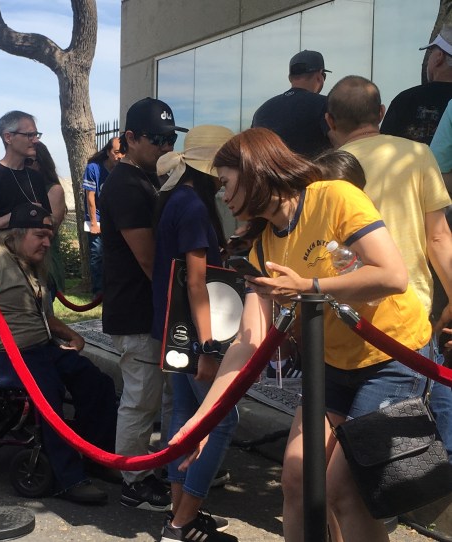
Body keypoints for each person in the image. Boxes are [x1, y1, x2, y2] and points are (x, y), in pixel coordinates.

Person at [171, 127, 432, 542]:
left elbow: (393, 275)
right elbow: (247, 343)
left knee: (344, 489)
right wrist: (204, 419)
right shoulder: (260, 246)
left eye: (226, 182)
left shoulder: (335, 196)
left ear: (255, 171)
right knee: (296, 477)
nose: (222, 194)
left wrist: (308, 287)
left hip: (392, 358)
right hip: (331, 365)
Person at [0, 203, 117, 505]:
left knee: (97, 382)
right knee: (48, 389)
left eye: (49, 236)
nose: (47, 243)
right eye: (40, 235)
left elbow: (40, 315)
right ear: (17, 234)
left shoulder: (30, 264)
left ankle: (95, 457)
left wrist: (73, 335)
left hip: (39, 348)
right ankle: (67, 479)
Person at [327, 75, 452, 456]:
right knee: (375, 454)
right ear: (381, 113)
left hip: (342, 320)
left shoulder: (325, 171)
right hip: (407, 318)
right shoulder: (417, 155)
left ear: (330, 121)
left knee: (331, 450)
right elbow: (438, 238)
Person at [99, 96, 186, 511]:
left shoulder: (149, 178)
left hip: (153, 308)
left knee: (166, 394)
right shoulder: (126, 185)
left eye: (171, 138)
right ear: (130, 138)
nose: (165, 146)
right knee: (141, 398)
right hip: (136, 310)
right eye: (157, 139)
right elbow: (149, 258)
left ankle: (169, 466)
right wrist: (183, 301)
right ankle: (134, 480)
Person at [152, 125, 238, 541]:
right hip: (194, 331)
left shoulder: (176, 199)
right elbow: (196, 281)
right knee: (221, 418)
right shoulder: (195, 207)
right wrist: (209, 347)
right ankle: (181, 522)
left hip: (173, 327)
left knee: (183, 415)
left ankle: (177, 513)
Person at [0, 110, 51, 240]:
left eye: (36, 135)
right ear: (8, 138)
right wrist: (17, 216)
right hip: (0, 251)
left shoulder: (36, 178)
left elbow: (47, 221)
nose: (35, 140)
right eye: (29, 135)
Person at [251, 50, 332, 157]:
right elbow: (341, 142)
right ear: (319, 76)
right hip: (312, 168)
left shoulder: (261, 111)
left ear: (290, 78)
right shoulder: (326, 104)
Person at [380, 24, 452, 145]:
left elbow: (384, 147)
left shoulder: (406, 100)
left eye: (431, 52)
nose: (428, 59)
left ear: (439, 57)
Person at [26, 142, 66, 302]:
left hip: (43, 265)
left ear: (41, 163)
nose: (24, 166)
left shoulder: (53, 190)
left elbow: (48, 231)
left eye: (29, 161)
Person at [83, 137, 123, 296]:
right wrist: (93, 222)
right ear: (108, 152)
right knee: (97, 255)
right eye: (116, 152)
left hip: (115, 220)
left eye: (122, 152)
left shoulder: (122, 170)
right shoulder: (93, 168)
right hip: (98, 219)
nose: (119, 156)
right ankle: (98, 292)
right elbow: (90, 197)